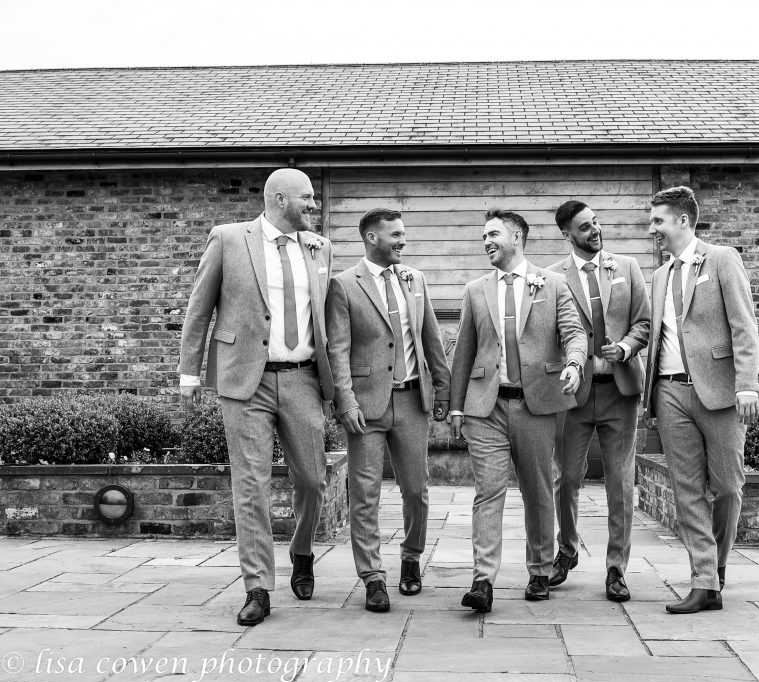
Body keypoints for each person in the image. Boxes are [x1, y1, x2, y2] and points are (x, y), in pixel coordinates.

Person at [178, 168, 334, 626]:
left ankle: (302, 551)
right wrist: (189, 375)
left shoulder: (320, 247)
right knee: (251, 486)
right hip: (244, 380)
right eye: (307, 199)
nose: (314, 206)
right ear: (280, 199)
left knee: (313, 478)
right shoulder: (228, 239)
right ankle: (258, 587)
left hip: (304, 379)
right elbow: (199, 307)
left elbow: (331, 318)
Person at [449, 209, 587, 612]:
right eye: (483, 237)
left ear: (516, 237)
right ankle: (482, 580)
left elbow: (574, 333)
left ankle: (541, 570)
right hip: (486, 405)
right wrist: (456, 407)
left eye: (492, 234)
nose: (486, 242)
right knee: (487, 492)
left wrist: (575, 363)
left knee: (538, 491)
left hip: (536, 404)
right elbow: (463, 352)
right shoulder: (476, 290)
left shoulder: (554, 284)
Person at [642, 185, 759, 614]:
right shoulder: (658, 276)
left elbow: (744, 325)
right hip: (669, 390)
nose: (652, 228)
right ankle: (704, 581)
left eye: (658, 220)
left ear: (682, 221)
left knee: (728, 486)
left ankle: (715, 567)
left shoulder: (722, 259)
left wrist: (748, 384)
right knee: (686, 489)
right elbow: (654, 334)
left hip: (722, 391)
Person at [326, 208, 450, 613]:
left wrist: (444, 389)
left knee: (417, 489)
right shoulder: (343, 285)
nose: (402, 241)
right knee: (365, 495)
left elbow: (431, 337)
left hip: (413, 402)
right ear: (371, 238)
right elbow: (338, 349)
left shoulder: (416, 280)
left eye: (403, 234)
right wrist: (345, 401)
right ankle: (373, 577)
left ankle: (411, 558)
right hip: (367, 407)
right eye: (395, 235)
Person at [549, 200, 651, 601]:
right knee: (566, 479)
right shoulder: (552, 278)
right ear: (567, 235)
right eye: (585, 227)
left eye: (596, 223)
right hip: (572, 394)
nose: (595, 230)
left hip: (620, 392)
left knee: (620, 484)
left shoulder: (627, 268)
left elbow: (644, 321)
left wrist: (625, 348)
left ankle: (615, 569)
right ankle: (567, 551)